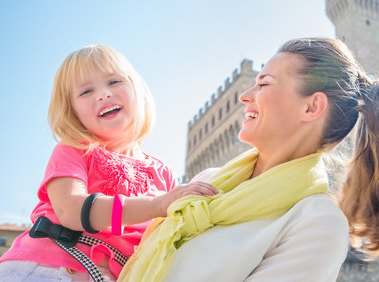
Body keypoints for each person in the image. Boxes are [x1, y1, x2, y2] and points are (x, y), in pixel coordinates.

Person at [118, 37, 379, 282]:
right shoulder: (206, 181)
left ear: (311, 108)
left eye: (264, 83)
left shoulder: (317, 223)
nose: (245, 96)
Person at [0, 45, 217, 281]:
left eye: (113, 82)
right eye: (86, 92)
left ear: (137, 91)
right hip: (49, 267)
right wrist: (158, 205)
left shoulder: (164, 174)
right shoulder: (73, 149)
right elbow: (70, 210)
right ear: (72, 112)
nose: (103, 94)